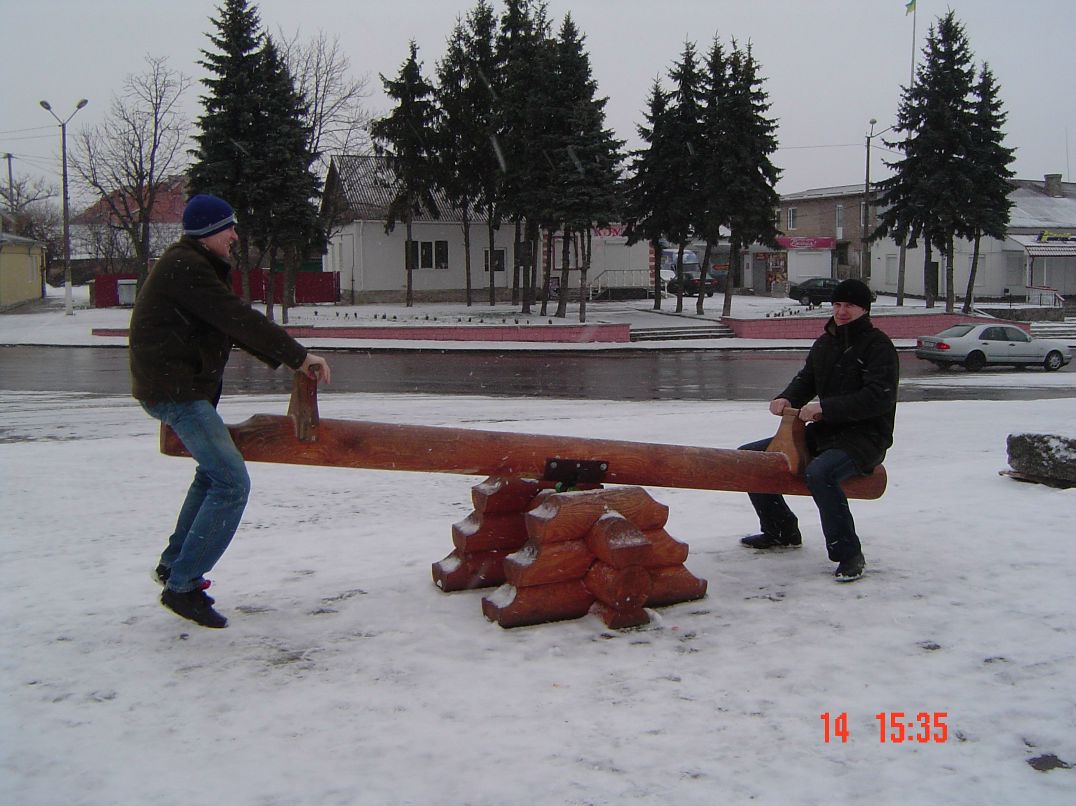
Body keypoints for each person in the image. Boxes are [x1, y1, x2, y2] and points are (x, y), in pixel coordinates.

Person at [130, 193, 332, 628]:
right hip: (176, 393)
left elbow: (227, 323)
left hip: (181, 390)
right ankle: (183, 584)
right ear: (207, 232)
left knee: (213, 475)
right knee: (231, 483)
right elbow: (236, 317)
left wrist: (285, 356)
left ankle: (173, 563)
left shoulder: (190, 265)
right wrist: (299, 357)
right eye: (229, 228)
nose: (235, 236)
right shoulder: (187, 268)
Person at [738, 278, 898, 582]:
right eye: (837, 304)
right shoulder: (827, 342)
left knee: (820, 473)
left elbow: (879, 397)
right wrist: (786, 397)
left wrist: (826, 408)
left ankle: (848, 553)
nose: (841, 311)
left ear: (864, 309)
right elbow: (807, 379)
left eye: (849, 305)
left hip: (864, 438)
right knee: (751, 458)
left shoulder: (878, 346)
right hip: (826, 433)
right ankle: (781, 530)